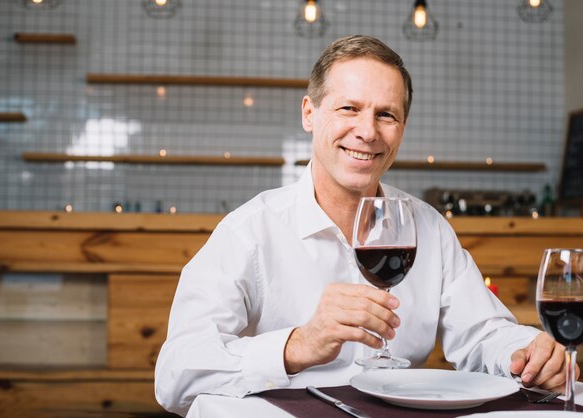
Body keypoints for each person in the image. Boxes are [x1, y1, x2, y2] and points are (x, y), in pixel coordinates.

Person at [154, 35, 577, 416]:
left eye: (386, 115)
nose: (367, 132)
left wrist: (524, 352)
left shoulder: (426, 227)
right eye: (349, 109)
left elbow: (483, 332)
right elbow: (175, 375)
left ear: (402, 129)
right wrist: (295, 345)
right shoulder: (248, 231)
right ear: (309, 113)